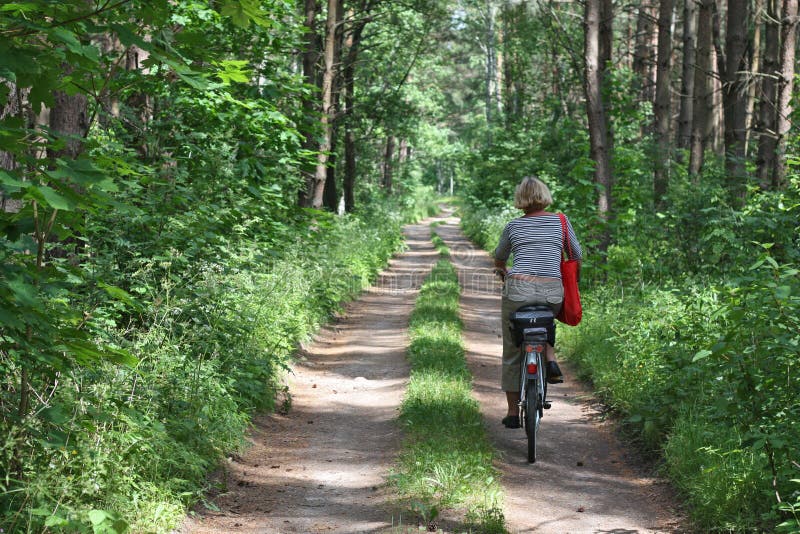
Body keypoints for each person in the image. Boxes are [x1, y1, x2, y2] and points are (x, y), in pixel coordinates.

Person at [493, 176, 582, 429]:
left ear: (520, 199)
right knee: (543, 321)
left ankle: (512, 413)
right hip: (552, 290)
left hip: (518, 288)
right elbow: (576, 255)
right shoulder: (561, 222)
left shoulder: (513, 226)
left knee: (512, 350)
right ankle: (549, 356)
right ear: (544, 195)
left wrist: (503, 273)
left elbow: (499, 258)